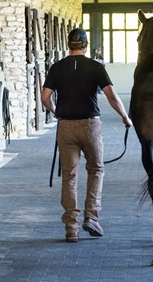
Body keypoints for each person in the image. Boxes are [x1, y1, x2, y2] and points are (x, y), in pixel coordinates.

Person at [41, 28, 133, 243]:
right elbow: (112, 96)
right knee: (96, 169)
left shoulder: (57, 67)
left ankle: (71, 228)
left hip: (66, 127)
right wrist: (125, 117)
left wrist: (56, 112)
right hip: (90, 125)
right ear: (86, 44)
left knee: (69, 175)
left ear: (68, 43)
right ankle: (91, 217)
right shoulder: (95, 67)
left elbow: (45, 97)